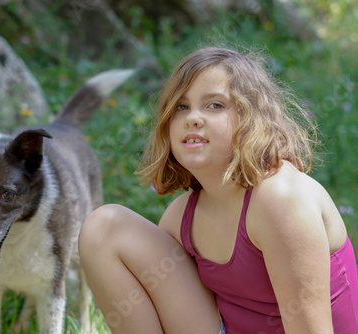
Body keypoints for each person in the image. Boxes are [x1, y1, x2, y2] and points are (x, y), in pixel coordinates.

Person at [78, 46, 358, 334]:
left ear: (251, 119)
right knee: (104, 227)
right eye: (181, 107)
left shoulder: (282, 199)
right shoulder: (180, 219)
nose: (193, 118)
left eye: (215, 105)